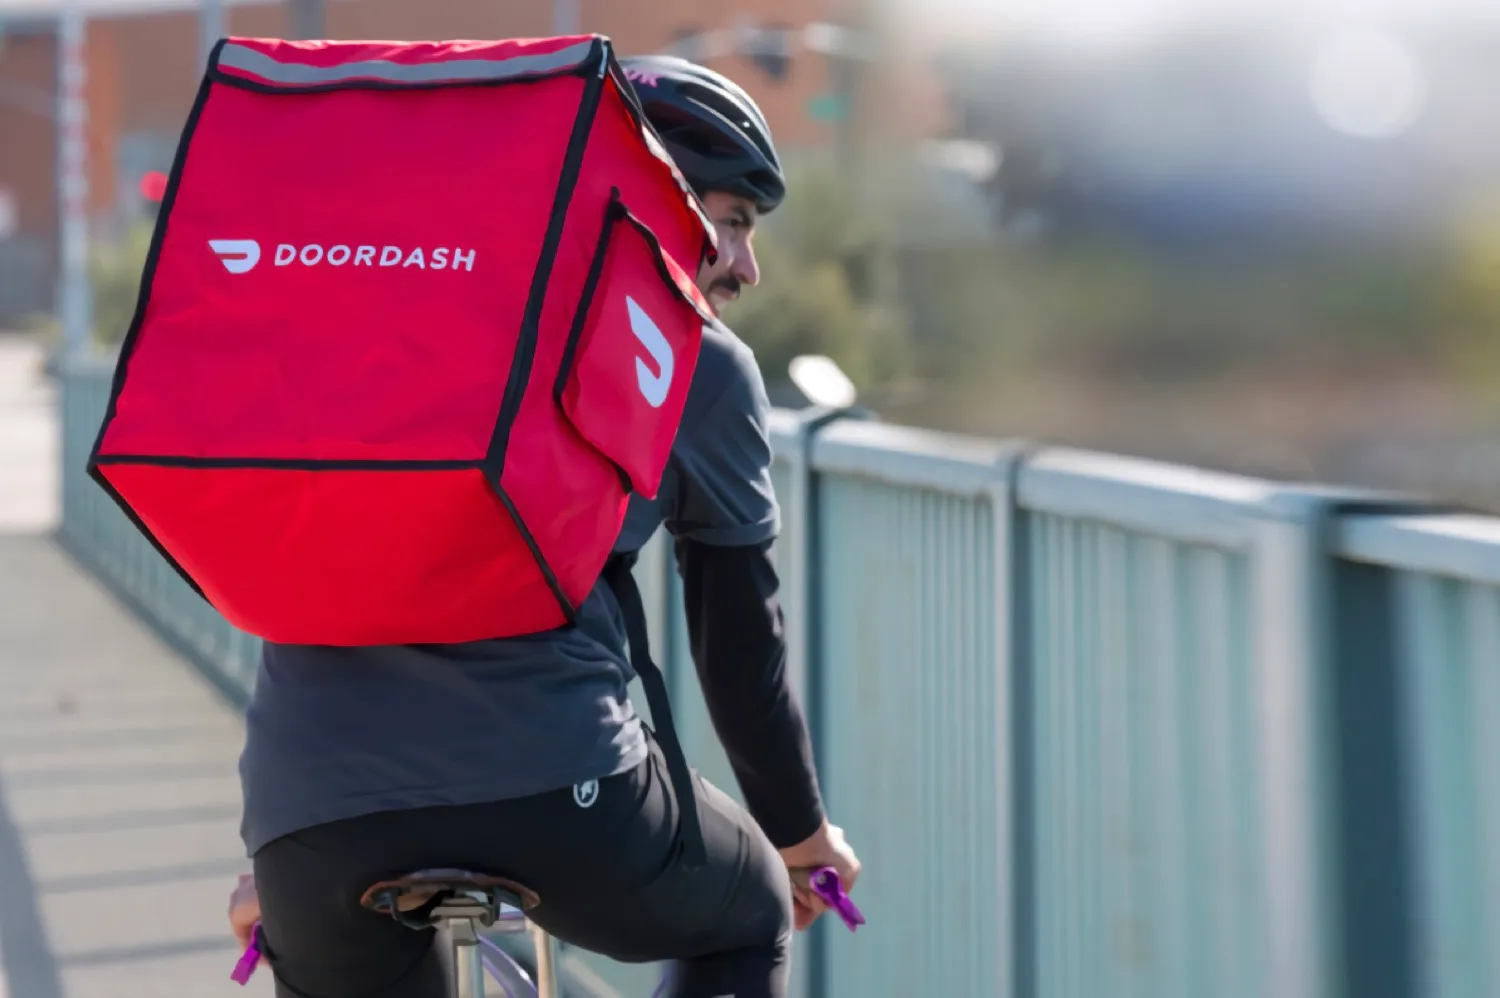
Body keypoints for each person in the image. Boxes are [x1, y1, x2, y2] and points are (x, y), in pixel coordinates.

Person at [225, 54, 860, 998]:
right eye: (728, 222)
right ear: (649, 200)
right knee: (750, 907)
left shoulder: (376, 326)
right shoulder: (692, 362)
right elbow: (737, 648)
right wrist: (801, 839)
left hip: (308, 812)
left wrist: (287, 853)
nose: (745, 265)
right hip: (563, 792)